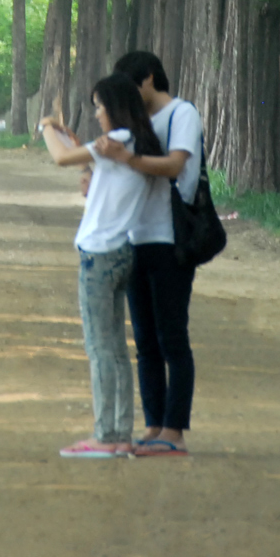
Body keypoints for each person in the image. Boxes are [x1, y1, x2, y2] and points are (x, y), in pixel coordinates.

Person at [40, 76, 161, 458]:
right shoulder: (136, 143)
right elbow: (92, 168)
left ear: (116, 108)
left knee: (100, 348)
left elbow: (58, 157)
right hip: (122, 251)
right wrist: (81, 151)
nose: (97, 114)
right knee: (116, 350)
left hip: (99, 255)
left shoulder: (115, 141)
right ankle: (120, 432)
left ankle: (106, 435)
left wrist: (46, 126)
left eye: (99, 107)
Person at [97, 50, 203, 457]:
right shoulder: (133, 124)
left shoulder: (181, 114)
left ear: (148, 80)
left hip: (170, 238)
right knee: (144, 340)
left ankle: (174, 431)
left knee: (172, 335)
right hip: (133, 238)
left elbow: (176, 166)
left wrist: (129, 158)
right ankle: (155, 423)